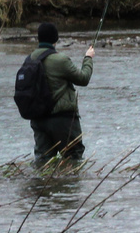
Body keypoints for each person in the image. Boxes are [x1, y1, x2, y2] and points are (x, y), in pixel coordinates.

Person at [26, 21, 95, 162]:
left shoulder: (30, 59)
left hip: (38, 119)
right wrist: (88, 58)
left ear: (39, 39)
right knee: (73, 157)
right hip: (62, 119)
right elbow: (83, 79)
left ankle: (43, 184)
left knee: (43, 161)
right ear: (56, 39)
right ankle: (70, 183)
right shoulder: (60, 60)